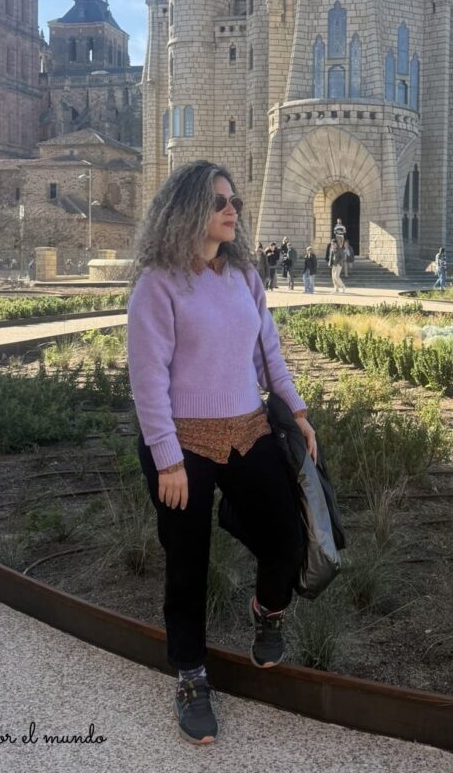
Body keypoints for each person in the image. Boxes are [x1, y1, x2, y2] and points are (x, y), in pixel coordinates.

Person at [127, 160, 315, 746]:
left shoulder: (245, 278)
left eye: (232, 200)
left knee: (288, 538)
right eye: (218, 202)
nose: (231, 209)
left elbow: (269, 356)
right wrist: (167, 458)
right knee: (187, 567)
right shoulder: (157, 284)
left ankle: (268, 609)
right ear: (188, 211)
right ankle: (191, 674)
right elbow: (147, 377)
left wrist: (299, 412)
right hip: (182, 443)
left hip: (248, 429)